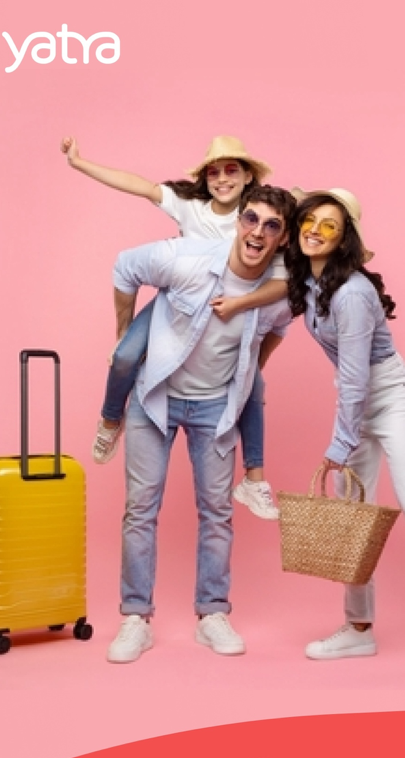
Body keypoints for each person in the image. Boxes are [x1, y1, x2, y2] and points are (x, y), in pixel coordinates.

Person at [106, 184, 295, 663]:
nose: (257, 232)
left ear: (283, 237)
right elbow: (125, 266)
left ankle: (212, 614)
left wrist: (250, 372)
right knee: (140, 508)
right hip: (156, 398)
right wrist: (125, 331)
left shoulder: (277, 293)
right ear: (239, 219)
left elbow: (273, 332)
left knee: (217, 512)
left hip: (216, 409)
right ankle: (135, 618)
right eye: (251, 219)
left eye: (271, 225)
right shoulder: (188, 258)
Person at [61, 135, 288, 519]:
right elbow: (139, 185)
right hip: (180, 304)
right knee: (126, 354)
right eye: (213, 171)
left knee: (253, 385)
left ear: (249, 176)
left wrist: (239, 304)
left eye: (232, 169)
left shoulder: (263, 220)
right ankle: (110, 419)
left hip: (225, 314)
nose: (222, 178)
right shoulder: (192, 206)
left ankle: (254, 478)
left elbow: (286, 281)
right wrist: (81, 163)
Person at [286, 187, 405, 659]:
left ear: (345, 237)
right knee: (352, 516)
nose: (315, 231)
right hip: (354, 403)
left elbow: (356, 379)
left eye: (328, 226)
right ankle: (358, 629)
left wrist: (339, 445)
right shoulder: (309, 280)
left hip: (389, 397)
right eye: (308, 222)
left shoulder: (352, 294)